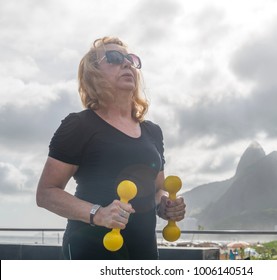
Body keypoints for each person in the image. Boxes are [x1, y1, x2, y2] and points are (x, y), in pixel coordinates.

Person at [36, 36, 186, 260]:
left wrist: (165, 205)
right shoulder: (79, 125)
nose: (127, 64)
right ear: (93, 74)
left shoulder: (153, 131)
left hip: (144, 250)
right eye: (115, 58)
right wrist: (98, 214)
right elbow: (46, 193)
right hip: (89, 248)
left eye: (131, 59)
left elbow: (156, 189)